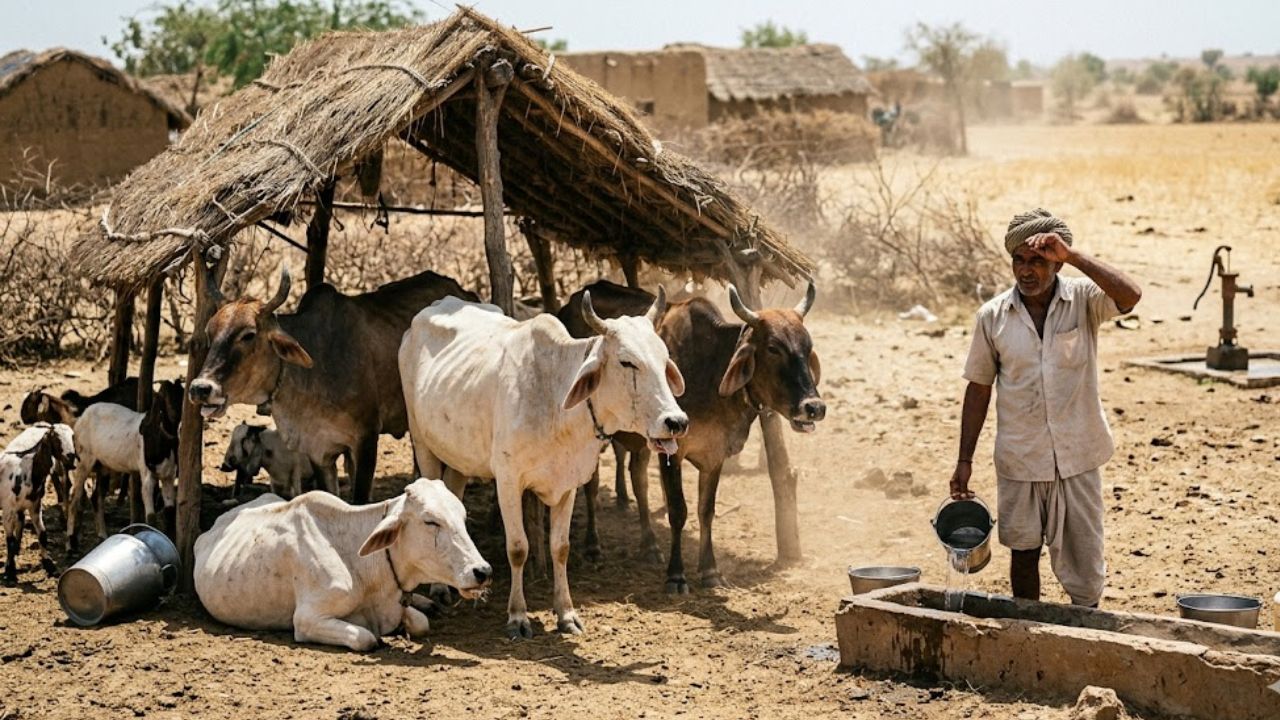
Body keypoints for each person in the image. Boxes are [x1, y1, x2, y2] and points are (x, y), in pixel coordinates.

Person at [950, 208, 1142, 607]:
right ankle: (1030, 631)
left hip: (1079, 455)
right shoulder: (993, 317)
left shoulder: (1084, 300)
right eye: (1019, 260)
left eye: (1038, 260)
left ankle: (1087, 631)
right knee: (1022, 553)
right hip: (1021, 457)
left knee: (1086, 564)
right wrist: (964, 460)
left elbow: (1131, 295)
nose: (1026, 270)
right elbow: (979, 389)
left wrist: (1073, 257)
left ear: (1055, 261)